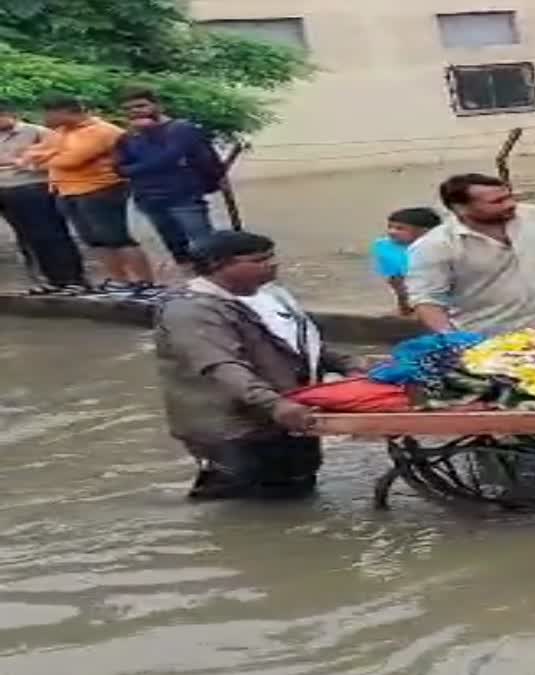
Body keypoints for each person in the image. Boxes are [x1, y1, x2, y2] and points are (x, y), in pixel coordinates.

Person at [154, 230, 365, 499]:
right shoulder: (192, 311)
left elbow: (299, 343)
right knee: (244, 497)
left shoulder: (264, 296)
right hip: (237, 427)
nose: (271, 264)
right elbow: (222, 365)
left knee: (296, 485)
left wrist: (348, 364)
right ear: (219, 266)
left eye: (271, 257)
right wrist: (274, 404)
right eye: (258, 260)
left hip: (287, 414)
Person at [407, 173, 535, 336]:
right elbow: (427, 300)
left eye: (509, 196)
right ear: (460, 208)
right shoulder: (434, 246)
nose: (510, 204)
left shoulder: (533, 215)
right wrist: (450, 339)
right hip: (498, 336)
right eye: (497, 202)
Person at [24, 95, 157, 295]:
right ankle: (118, 281)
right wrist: (43, 157)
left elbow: (71, 160)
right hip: (66, 190)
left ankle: (145, 283)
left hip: (100, 189)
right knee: (93, 239)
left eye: (49, 113)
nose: (45, 118)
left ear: (64, 112)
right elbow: (31, 153)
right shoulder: (60, 132)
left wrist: (41, 160)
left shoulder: (102, 131)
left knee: (116, 237)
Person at [116, 87, 223, 270]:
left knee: (204, 246)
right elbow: (119, 168)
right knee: (176, 248)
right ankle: (193, 285)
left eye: (141, 106)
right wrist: (142, 166)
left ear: (157, 105)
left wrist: (138, 167)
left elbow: (169, 158)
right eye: (128, 109)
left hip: (183, 196)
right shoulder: (128, 137)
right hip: (149, 199)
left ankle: (218, 283)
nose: (135, 111)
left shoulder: (181, 129)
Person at [0, 102, 88, 294]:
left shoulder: (37, 132)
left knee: (50, 234)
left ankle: (71, 279)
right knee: (24, 238)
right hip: (4, 190)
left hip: (32, 187)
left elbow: (57, 155)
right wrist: (16, 162)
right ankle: (43, 280)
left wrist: (23, 162)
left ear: (11, 114)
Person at [372, 207, 441, 315]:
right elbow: (396, 282)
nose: (391, 232)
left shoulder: (439, 249)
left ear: (424, 232)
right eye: (390, 227)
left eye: (400, 228)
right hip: (408, 287)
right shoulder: (385, 247)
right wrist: (404, 308)